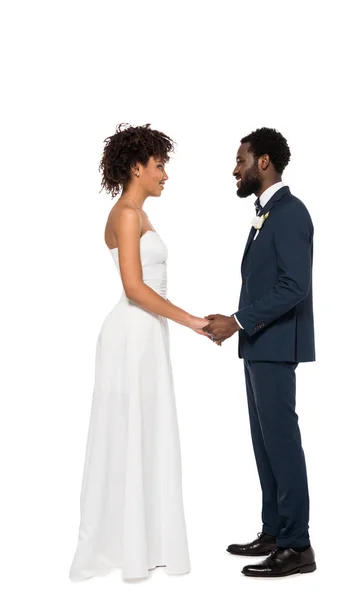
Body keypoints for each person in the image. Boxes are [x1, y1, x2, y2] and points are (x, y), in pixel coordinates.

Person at [69, 123, 209, 581]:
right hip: (131, 334)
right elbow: (133, 287)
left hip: (149, 334)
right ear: (137, 167)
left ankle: (144, 543)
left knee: (148, 432)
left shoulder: (141, 213)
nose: (165, 174)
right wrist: (190, 320)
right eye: (160, 165)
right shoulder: (127, 214)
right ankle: (121, 547)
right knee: (129, 433)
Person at [203, 127, 316, 578]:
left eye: (241, 160)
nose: (236, 168)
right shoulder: (266, 213)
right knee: (264, 443)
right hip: (258, 346)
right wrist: (239, 323)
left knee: (282, 443)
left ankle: (297, 544)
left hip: (274, 344)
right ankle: (273, 531)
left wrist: (238, 321)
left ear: (263, 162)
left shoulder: (290, 213)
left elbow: (295, 286)